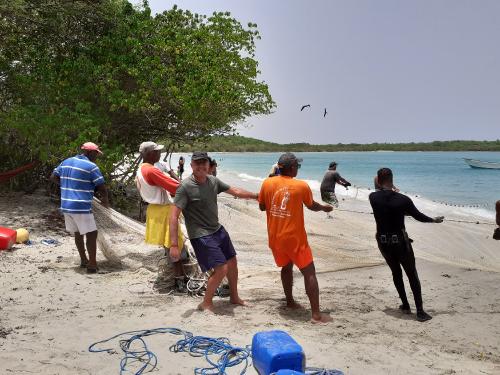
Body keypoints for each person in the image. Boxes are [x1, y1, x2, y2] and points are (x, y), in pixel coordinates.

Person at [169, 151, 259, 312]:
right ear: (191, 166)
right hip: (200, 234)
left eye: (204, 163)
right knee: (221, 268)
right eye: (197, 163)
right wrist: (174, 244)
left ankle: (234, 297)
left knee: (232, 263)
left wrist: (257, 196)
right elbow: (173, 216)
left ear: (208, 165)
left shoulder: (213, 181)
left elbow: (236, 192)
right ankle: (206, 303)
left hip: (217, 230)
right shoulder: (185, 187)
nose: (201, 166)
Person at [259, 152, 333, 324]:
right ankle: (316, 315)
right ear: (292, 168)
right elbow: (311, 205)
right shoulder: (301, 186)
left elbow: (262, 206)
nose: (298, 169)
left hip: (275, 238)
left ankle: (290, 302)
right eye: (297, 166)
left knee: (286, 268)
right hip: (294, 238)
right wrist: (324, 208)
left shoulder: (267, 182)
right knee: (309, 272)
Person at [369, 168, 444, 322]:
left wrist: (385, 185)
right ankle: (420, 312)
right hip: (400, 243)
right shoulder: (403, 200)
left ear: (378, 180)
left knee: (396, 273)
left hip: (383, 243)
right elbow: (419, 216)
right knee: (412, 275)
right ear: (392, 179)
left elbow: (383, 198)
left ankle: (405, 305)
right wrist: (433, 220)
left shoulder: (373, 198)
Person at [51, 142, 109, 274]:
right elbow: (101, 187)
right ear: (90, 153)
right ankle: (92, 264)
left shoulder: (66, 161)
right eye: (96, 154)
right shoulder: (91, 166)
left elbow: (53, 177)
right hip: (81, 206)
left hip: (66, 205)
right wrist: (105, 201)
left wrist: (68, 186)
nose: (96, 157)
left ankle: (83, 260)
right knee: (91, 234)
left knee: (77, 233)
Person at [136, 141, 187, 292]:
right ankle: (180, 281)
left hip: (154, 210)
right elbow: (175, 186)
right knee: (175, 245)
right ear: (149, 154)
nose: (159, 154)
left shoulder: (141, 169)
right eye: (157, 151)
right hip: (164, 211)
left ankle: (179, 277)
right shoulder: (152, 170)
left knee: (169, 246)